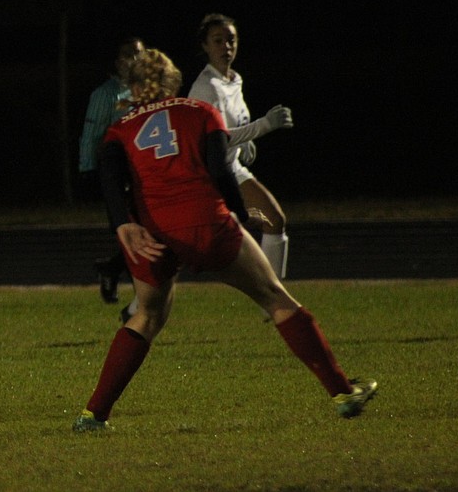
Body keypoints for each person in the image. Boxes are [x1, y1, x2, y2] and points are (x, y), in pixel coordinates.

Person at [71, 48, 376, 431]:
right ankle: (344, 393)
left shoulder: (119, 129)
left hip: (151, 232)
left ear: (132, 87)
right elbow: (220, 170)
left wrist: (121, 225)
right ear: (173, 82)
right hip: (204, 222)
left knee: (146, 316)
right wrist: (240, 212)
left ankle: (93, 414)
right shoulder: (200, 111)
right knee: (275, 297)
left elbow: (109, 177)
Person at [188, 13, 294, 278]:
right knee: (189, 247)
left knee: (274, 220)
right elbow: (216, 139)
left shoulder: (234, 80)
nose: (226, 46)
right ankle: (136, 306)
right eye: (218, 41)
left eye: (231, 40)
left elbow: (234, 125)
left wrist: (246, 141)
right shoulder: (206, 87)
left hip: (231, 167)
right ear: (204, 46)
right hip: (209, 172)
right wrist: (263, 126)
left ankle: (274, 297)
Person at [78, 36, 144, 316]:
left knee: (151, 232)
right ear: (118, 63)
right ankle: (141, 303)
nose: (137, 60)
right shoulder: (106, 94)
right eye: (130, 55)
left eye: (141, 54)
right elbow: (91, 136)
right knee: (133, 234)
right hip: (116, 174)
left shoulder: (147, 90)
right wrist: (88, 173)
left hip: (145, 173)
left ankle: (112, 269)